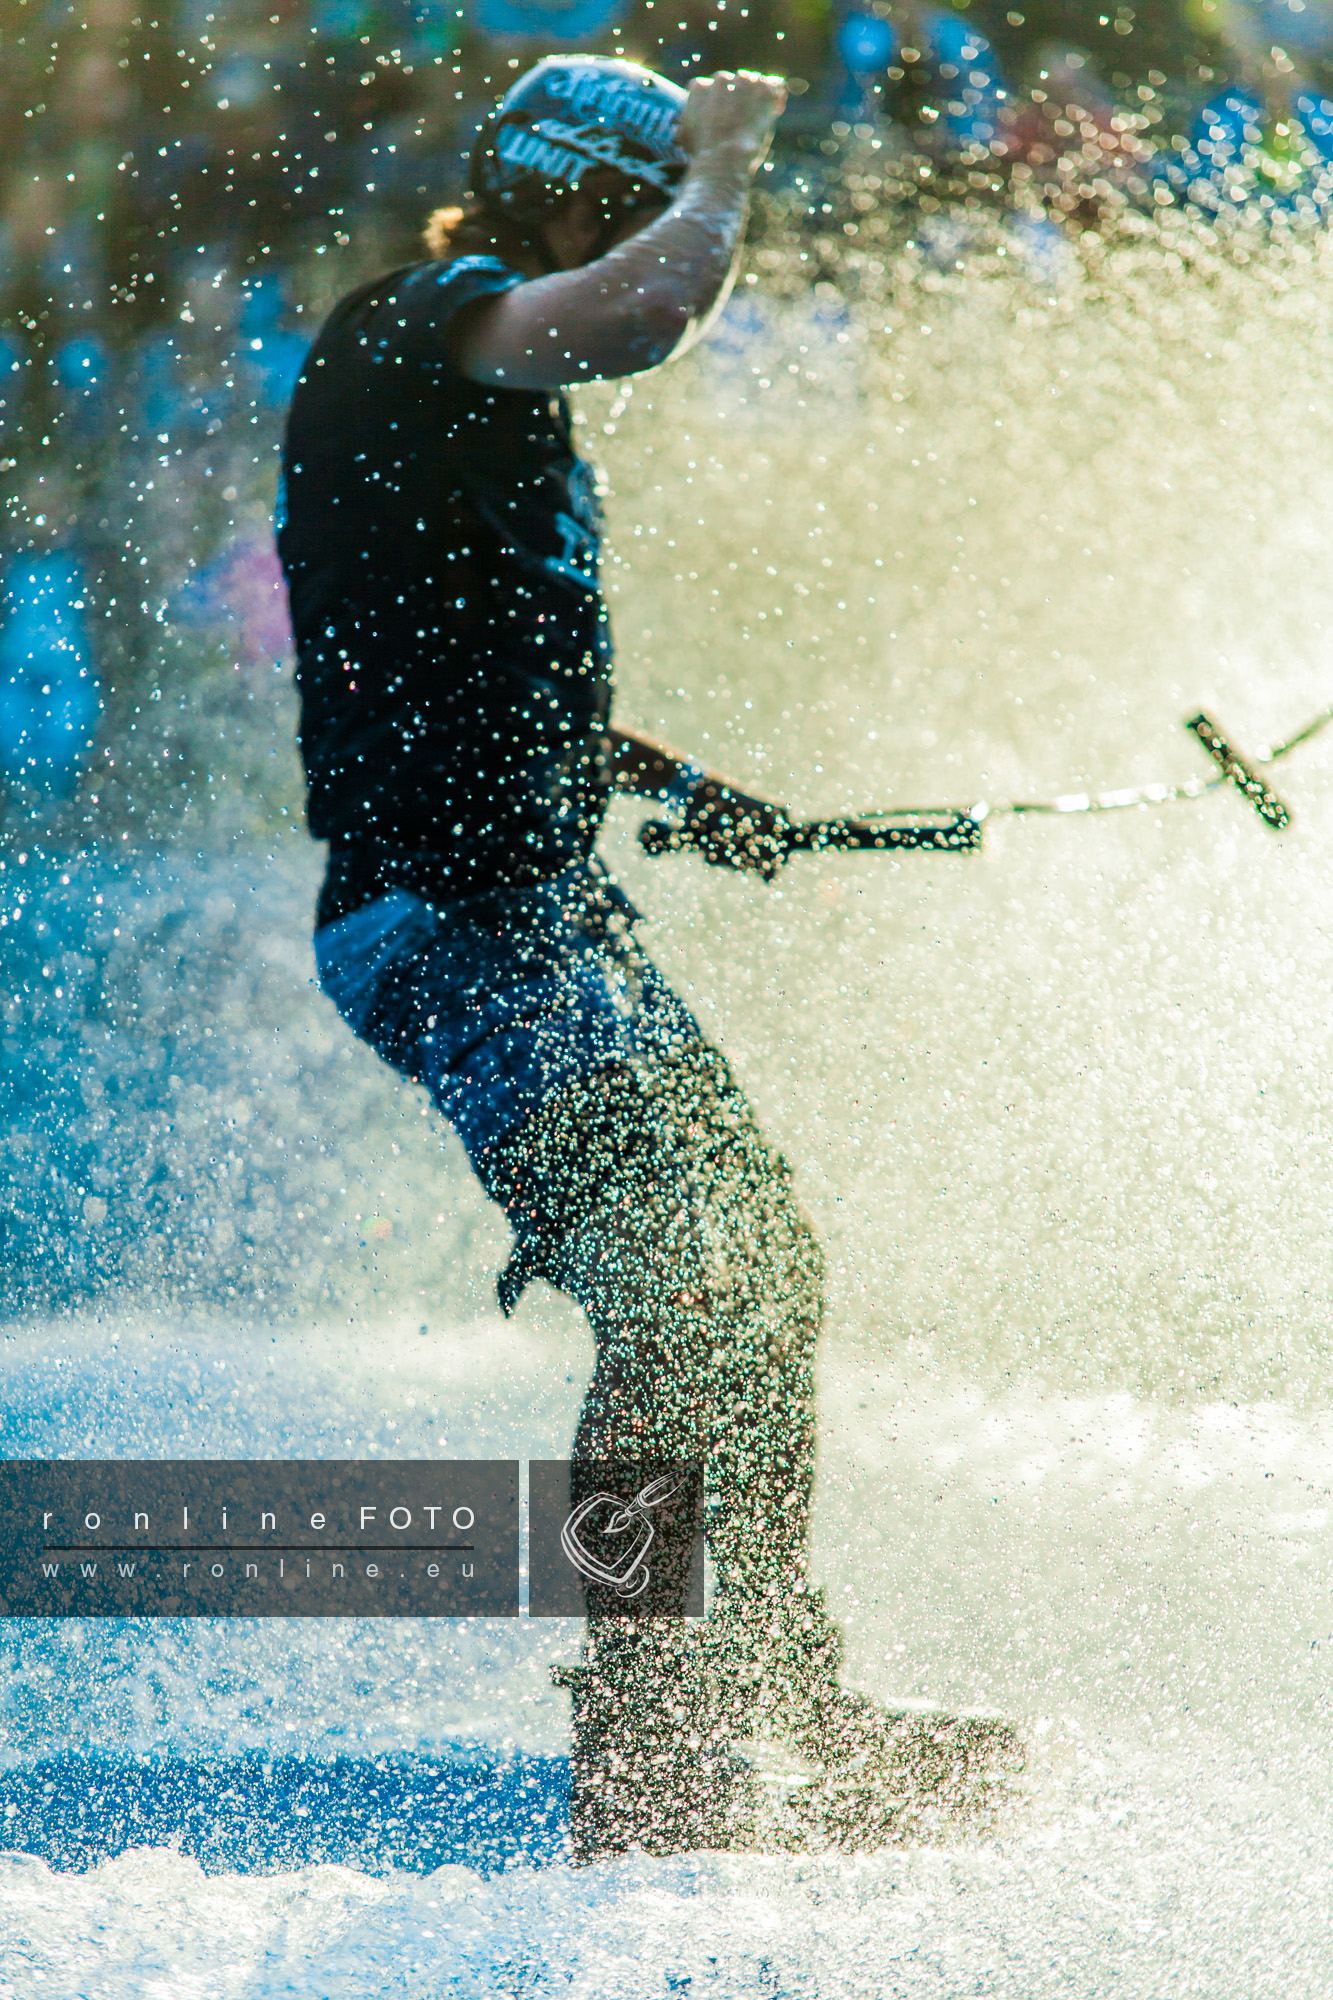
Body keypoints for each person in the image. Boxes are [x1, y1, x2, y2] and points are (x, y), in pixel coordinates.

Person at [278, 54, 1018, 1858]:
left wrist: (678, 782)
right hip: (451, 928)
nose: (652, 237)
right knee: (679, 1295)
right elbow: (644, 317)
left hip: (544, 920)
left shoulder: (476, 409)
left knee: (758, 1270)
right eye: (632, 206)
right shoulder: (418, 326)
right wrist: (727, 159)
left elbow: (468, 663)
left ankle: (769, 1695)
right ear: (564, 193)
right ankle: (648, 1738)